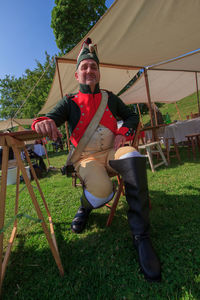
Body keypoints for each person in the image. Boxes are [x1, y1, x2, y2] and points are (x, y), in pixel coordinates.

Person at [32, 38, 161, 282]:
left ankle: (142, 238)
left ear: (98, 72)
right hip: (86, 158)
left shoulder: (110, 98)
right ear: (78, 74)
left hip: (112, 153)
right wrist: (42, 122)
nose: (89, 70)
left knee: (133, 155)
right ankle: (85, 206)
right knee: (103, 192)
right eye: (85, 67)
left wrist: (123, 134)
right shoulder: (69, 101)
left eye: (93, 67)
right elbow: (48, 118)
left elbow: (131, 117)